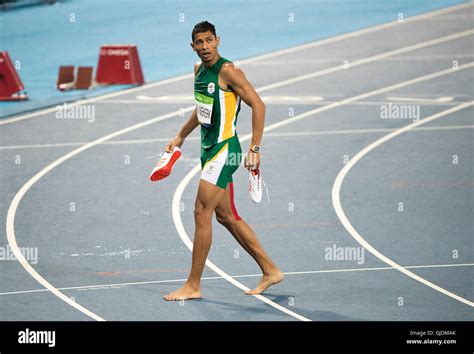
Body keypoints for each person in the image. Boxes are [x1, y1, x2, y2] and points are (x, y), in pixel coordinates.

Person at [163, 21, 283, 301]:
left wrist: (255, 147)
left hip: (225, 151)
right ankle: (270, 270)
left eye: (209, 41)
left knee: (200, 211)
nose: (205, 47)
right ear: (192, 46)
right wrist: (180, 135)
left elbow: (259, 104)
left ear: (217, 40)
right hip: (208, 151)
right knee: (225, 216)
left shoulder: (229, 71)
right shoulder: (198, 71)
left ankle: (193, 285)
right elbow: (202, 109)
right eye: (199, 43)